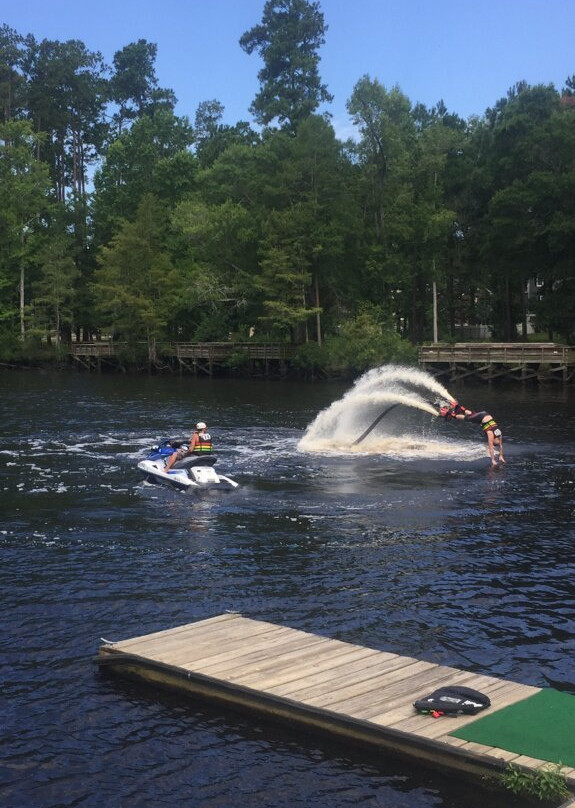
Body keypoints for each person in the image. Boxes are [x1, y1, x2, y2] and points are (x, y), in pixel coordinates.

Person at [439, 400, 506, 467]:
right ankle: (452, 414)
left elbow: (501, 446)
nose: (492, 443)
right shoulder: (490, 433)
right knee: (468, 418)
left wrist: (501, 456)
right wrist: (493, 460)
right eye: (494, 443)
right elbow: (491, 447)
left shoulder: (499, 434)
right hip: (481, 417)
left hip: (485, 415)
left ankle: (459, 407)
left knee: (472, 414)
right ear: (494, 439)